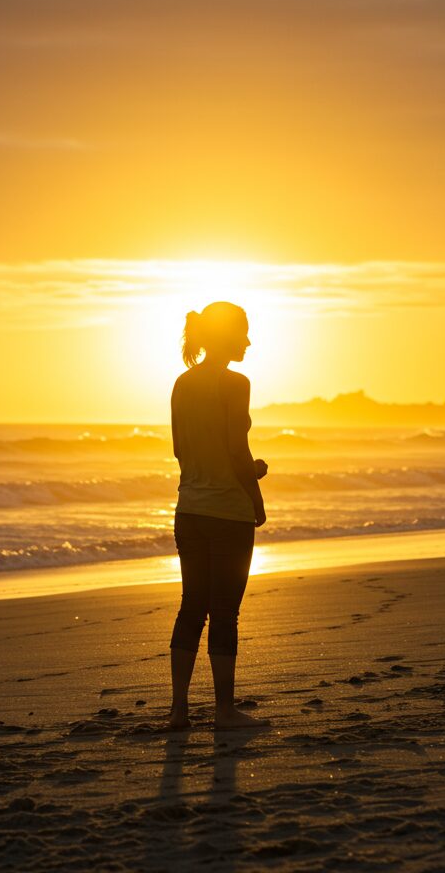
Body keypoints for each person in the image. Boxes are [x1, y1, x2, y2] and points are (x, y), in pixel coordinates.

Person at [167, 301, 270, 731]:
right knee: (225, 612)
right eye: (243, 332)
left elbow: (179, 450)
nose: (248, 341)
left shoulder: (182, 383)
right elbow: (235, 448)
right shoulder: (236, 383)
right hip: (228, 512)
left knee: (192, 607)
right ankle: (225, 712)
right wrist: (256, 485)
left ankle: (179, 711)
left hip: (189, 509)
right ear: (226, 335)